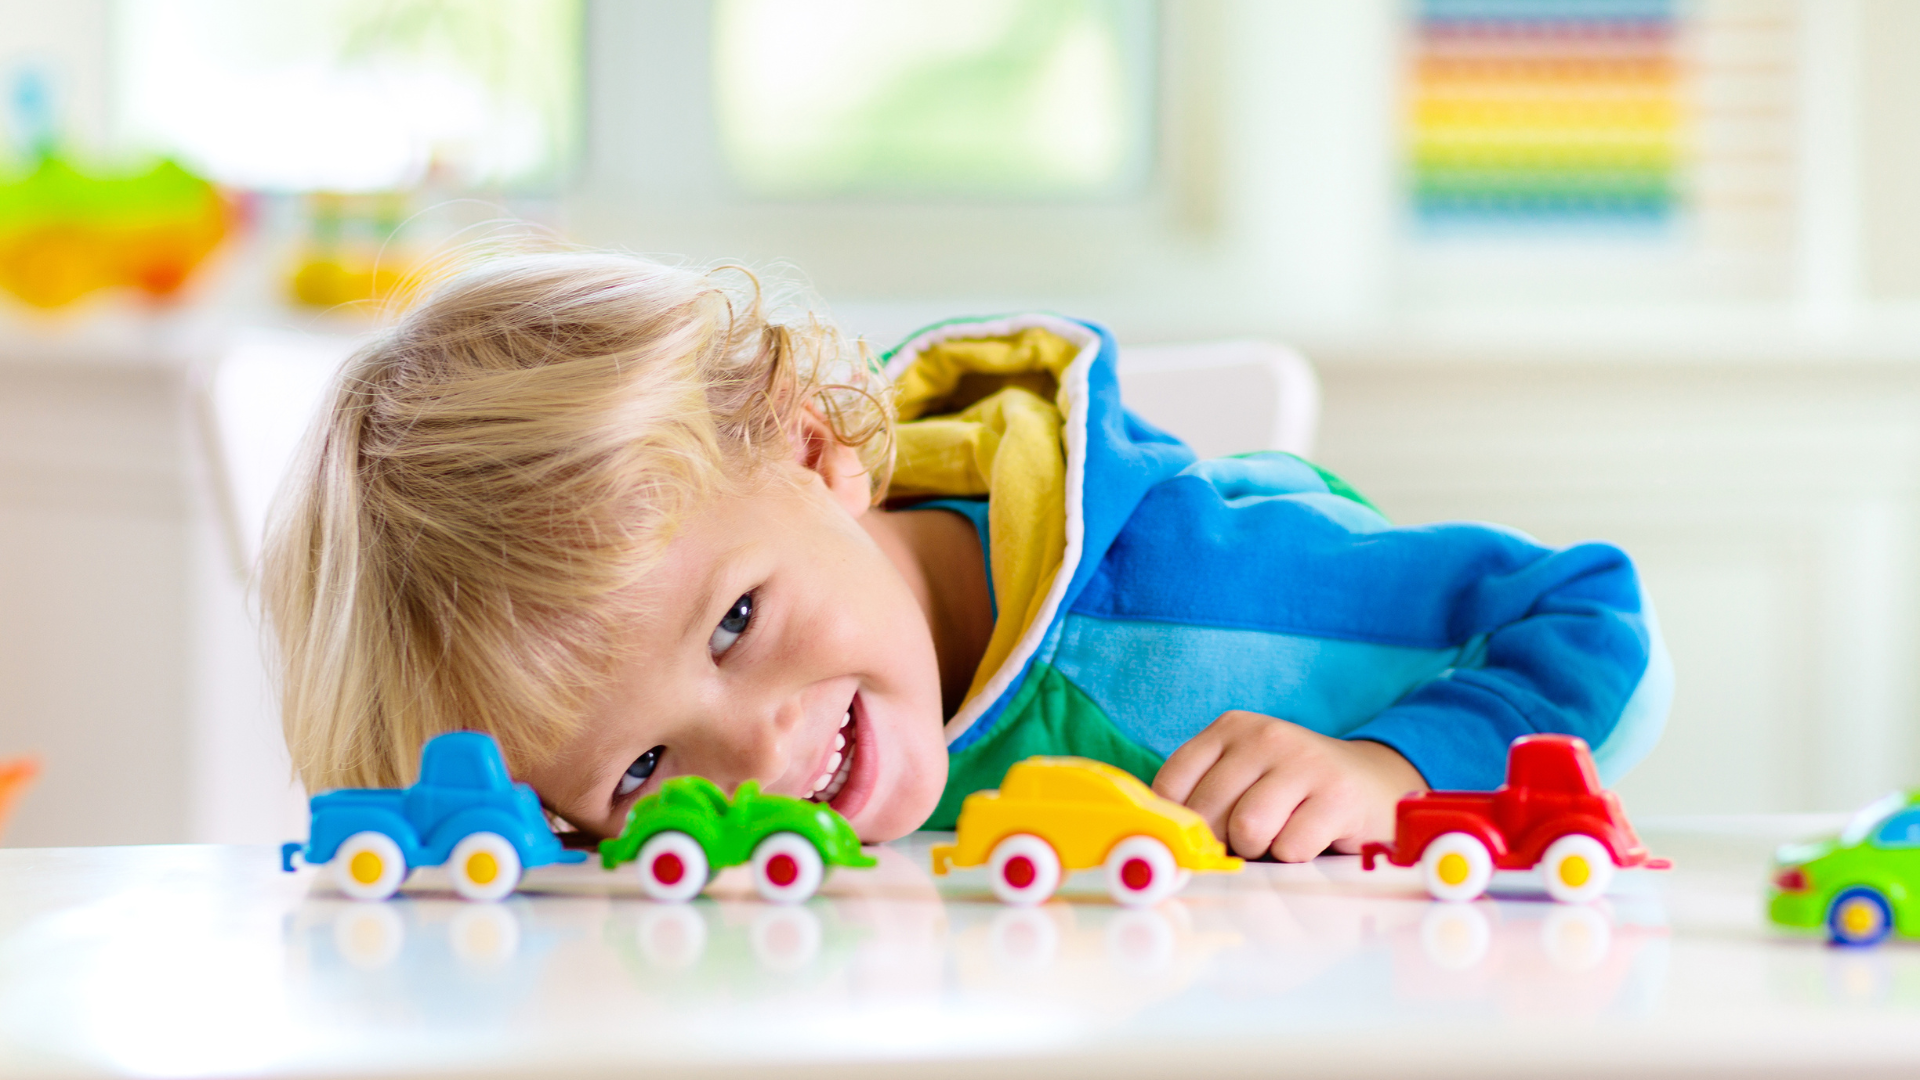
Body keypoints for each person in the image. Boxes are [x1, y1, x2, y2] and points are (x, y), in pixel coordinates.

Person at [264, 252, 1670, 861]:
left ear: (812, 451)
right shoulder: (702, 827)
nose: (750, 761)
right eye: (638, 771)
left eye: (737, 620)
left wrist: (1394, 768)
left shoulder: (1202, 588)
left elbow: (1591, 620)